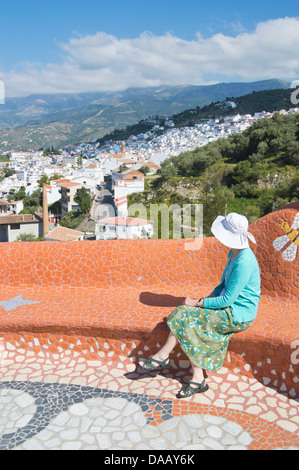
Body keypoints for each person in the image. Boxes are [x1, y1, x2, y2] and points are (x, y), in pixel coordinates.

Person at [139, 213, 261, 399]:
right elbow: (222, 286)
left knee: (188, 318)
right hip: (226, 307)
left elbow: (228, 299)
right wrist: (204, 301)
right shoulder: (234, 252)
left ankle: (166, 360)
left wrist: (198, 303)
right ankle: (191, 375)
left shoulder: (244, 260)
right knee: (182, 312)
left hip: (237, 314)